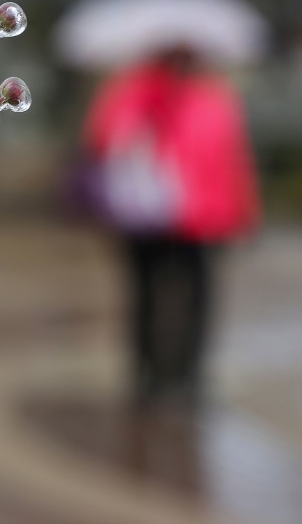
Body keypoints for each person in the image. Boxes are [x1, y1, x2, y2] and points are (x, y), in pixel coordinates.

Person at [81, 45, 259, 404]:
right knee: (144, 293)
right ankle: (147, 375)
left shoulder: (214, 98)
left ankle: (188, 375)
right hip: (145, 214)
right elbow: (100, 138)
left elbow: (234, 159)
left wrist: (246, 210)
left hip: (204, 218)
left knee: (198, 296)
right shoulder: (134, 92)